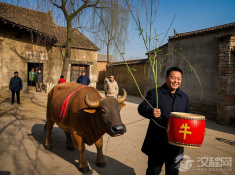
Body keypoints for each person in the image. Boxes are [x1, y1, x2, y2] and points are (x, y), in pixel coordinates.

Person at [138, 67, 190, 175]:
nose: (176, 81)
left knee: (173, 172)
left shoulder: (184, 97)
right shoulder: (155, 93)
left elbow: (187, 118)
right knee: (153, 171)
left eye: (179, 79)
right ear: (166, 78)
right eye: (173, 78)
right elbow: (141, 108)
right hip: (157, 142)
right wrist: (151, 111)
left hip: (176, 146)